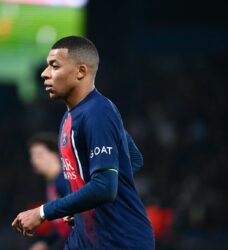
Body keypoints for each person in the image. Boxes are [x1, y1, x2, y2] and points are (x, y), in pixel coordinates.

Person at [12, 36, 155, 249]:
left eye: (54, 66)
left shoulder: (98, 112)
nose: (44, 73)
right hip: (87, 240)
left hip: (119, 242)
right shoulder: (71, 116)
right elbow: (132, 158)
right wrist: (82, 205)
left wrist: (43, 212)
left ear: (81, 71)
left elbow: (105, 187)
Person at [27, 132, 71, 250]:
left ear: (55, 155)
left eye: (39, 155)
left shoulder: (63, 181)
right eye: (32, 156)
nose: (34, 160)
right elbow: (62, 226)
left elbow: (77, 220)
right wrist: (46, 243)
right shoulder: (52, 185)